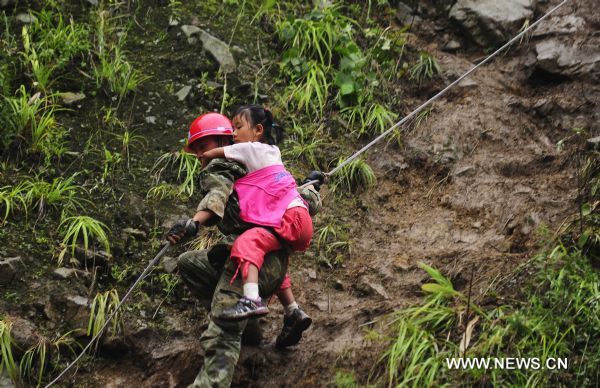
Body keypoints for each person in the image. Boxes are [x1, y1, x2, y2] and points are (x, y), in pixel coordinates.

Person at [166, 112, 324, 387]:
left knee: (223, 320)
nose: (200, 154)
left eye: (204, 146)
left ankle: (214, 374)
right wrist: (312, 188)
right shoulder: (259, 163)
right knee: (189, 263)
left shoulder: (220, 167)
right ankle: (249, 328)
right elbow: (292, 197)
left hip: (251, 260)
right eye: (197, 150)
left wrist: (193, 223)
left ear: (222, 140)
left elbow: (216, 197)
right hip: (272, 261)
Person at [198, 105, 313, 322]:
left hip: (289, 218)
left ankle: (251, 300)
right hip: (298, 217)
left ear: (258, 130)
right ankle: (294, 310)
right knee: (264, 254)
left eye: (238, 127)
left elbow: (214, 153)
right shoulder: (271, 155)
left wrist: (205, 157)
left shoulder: (253, 148)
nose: (233, 134)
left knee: (246, 244)